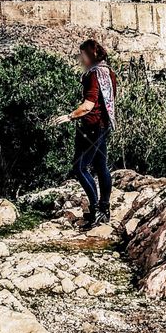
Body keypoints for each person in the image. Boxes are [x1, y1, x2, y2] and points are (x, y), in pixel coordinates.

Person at [49, 39, 117, 229]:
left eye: (82, 55)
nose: (80, 58)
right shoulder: (109, 72)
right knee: (101, 166)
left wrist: (69, 116)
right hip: (104, 125)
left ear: (90, 56)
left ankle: (95, 211)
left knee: (79, 167)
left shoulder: (93, 75)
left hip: (92, 126)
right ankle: (104, 209)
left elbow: (88, 105)